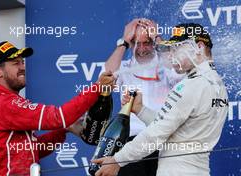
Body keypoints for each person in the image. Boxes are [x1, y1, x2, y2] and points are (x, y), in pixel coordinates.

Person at [93, 23, 229, 176]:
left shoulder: (190, 86)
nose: (171, 55)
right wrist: (141, 109)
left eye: (177, 48)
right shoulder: (218, 85)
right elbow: (176, 132)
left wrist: (118, 160)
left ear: (199, 47)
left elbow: (157, 133)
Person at [0, 41, 115, 176]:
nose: (22, 67)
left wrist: (63, 130)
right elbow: (57, 117)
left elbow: (34, 149)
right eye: (16, 63)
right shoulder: (3, 104)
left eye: (22, 62)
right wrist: (97, 87)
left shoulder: (4, 102)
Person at [105, 18, 182, 176]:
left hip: (163, 139)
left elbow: (178, 70)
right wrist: (124, 41)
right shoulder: (124, 67)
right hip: (132, 141)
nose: (141, 49)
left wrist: (158, 38)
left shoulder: (166, 63)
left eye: (146, 42)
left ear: (154, 42)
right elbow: (106, 78)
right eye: (136, 43)